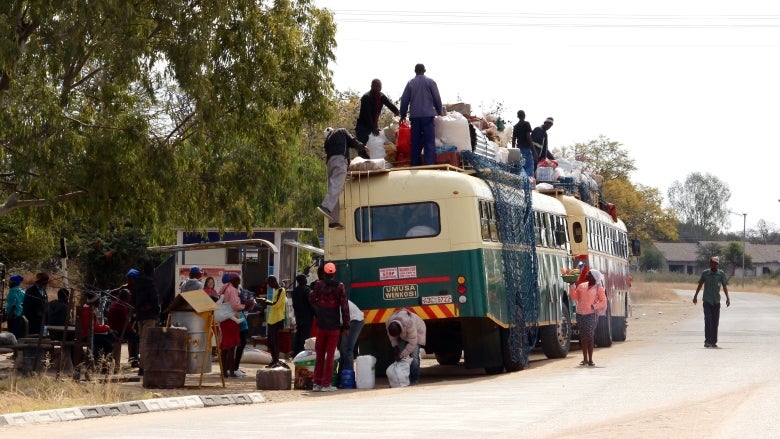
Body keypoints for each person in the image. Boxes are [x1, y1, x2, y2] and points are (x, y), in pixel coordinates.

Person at [308, 262, 350, 392]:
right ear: (334, 273)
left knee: (319, 354)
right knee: (330, 355)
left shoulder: (319, 285)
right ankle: (326, 384)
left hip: (321, 325)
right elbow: (344, 307)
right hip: (334, 326)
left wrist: (319, 310)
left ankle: (317, 383)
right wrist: (347, 326)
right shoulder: (340, 286)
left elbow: (311, 299)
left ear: (324, 273)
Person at [317, 127, 368, 230]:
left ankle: (333, 221)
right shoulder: (341, 131)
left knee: (334, 188)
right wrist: (363, 146)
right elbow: (354, 142)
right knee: (337, 186)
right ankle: (325, 206)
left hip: (330, 163)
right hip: (340, 161)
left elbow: (347, 144)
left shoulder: (327, 141)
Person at [400, 63, 445, 166]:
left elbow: (404, 99)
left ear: (415, 71)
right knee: (429, 142)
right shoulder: (431, 82)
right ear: (424, 70)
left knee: (415, 142)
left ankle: (415, 165)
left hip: (415, 117)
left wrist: (402, 115)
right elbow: (437, 98)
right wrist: (439, 111)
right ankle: (429, 165)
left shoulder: (410, 83)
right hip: (428, 117)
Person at [569, 269, 607, 366]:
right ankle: (585, 359)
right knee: (583, 336)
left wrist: (595, 306)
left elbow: (603, 302)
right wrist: (572, 286)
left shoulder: (599, 288)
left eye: (589, 274)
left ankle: (590, 359)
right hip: (580, 314)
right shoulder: (581, 286)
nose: (586, 274)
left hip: (591, 314)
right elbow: (574, 297)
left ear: (594, 277)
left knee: (589, 336)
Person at [693, 256, 731, 348]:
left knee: (715, 322)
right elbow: (700, 284)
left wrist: (727, 298)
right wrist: (695, 296)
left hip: (716, 301)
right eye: (711, 263)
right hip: (707, 301)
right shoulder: (705, 273)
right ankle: (707, 341)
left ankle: (713, 341)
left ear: (717, 264)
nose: (713, 264)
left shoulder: (721, 274)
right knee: (708, 321)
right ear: (710, 264)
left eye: (715, 263)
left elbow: (724, 286)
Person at [385, 308, 427, 385]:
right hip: (404, 333)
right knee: (400, 355)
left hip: (417, 331)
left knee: (414, 357)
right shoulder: (389, 323)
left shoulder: (409, 323)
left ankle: (414, 379)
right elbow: (392, 337)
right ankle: (404, 379)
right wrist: (395, 347)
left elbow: (412, 343)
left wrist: (401, 355)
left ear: (400, 330)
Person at [133, 261, 160, 376]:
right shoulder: (151, 283)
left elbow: (134, 298)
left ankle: (142, 366)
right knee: (147, 341)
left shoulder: (137, 283)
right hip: (149, 316)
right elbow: (154, 300)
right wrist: (155, 307)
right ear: (152, 271)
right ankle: (144, 367)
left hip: (140, 316)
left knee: (142, 340)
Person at [355, 79, 400, 147]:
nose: (377, 88)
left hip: (373, 127)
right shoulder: (366, 97)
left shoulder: (381, 96)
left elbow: (390, 105)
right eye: (375, 86)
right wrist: (374, 128)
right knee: (363, 149)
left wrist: (398, 114)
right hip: (363, 128)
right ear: (371, 86)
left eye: (379, 87)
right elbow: (368, 115)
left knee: (373, 148)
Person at [219, 273, 246, 377]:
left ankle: (224, 371)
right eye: (237, 281)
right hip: (231, 320)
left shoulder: (225, 288)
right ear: (233, 281)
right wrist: (245, 305)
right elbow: (235, 306)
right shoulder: (233, 290)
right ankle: (230, 371)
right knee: (231, 346)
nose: (238, 283)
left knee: (225, 346)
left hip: (225, 319)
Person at [107, 289, 139, 371]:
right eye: (128, 297)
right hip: (119, 331)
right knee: (136, 338)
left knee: (133, 336)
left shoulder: (115, 304)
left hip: (113, 329)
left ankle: (133, 358)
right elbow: (126, 323)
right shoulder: (121, 306)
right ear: (126, 298)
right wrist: (133, 331)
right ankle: (134, 360)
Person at [80, 291, 114, 367]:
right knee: (109, 345)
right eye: (98, 301)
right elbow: (93, 328)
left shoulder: (88, 308)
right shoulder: (88, 311)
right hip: (87, 335)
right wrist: (106, 327)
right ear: (94, 301)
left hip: (89, 333)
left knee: (108, 339)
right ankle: (106, 367)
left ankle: (103, 364)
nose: (99, 303)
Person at [263, 275, 289, 369]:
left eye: (269, 283)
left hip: (277, 320)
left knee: (273, 341)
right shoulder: (277, 291)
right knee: (271, 341)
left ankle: (275, 360)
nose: (269, 286)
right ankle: (274, 360)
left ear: (273, 282)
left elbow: (276, 304)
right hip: (272, 319)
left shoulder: (281, 290)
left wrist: (265, 301)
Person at [233, 286, 256, 378]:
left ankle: (235, 368)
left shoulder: (238, 300)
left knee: (240, 348)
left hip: (242, 325)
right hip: (241, 327)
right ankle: (234, 368)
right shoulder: (235, 300)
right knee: (238, 348)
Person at [338, 299, 364, 375]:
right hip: (348, 321)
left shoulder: (337, 304)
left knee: (347, 349)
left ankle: (349, 376)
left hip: (355, 321)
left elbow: (341, 321)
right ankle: (341, 376)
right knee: (343, 349)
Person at [291, 274, 315, 356]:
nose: (306, 280)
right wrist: (316, 313)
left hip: (298, 316)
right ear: (302, 280)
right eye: (305, 279)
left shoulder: (295, 291)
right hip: (307, 316)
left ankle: (296, 352)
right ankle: (303, 353)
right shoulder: (307, 290)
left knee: (299, 334)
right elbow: (312, 303)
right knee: (305, 336)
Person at [511, 110, 537, 177]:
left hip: (519, 151)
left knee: (519, 169)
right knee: (529, 169)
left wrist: (513, 152)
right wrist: (534, 151)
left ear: (518, 116)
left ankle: (520, 184)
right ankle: (527, 185)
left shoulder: (516, 126)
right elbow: (528, 137)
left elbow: (513, 139)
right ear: (524, 115)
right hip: (526, 150)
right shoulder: (526, 124)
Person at [4, 274, 26, 339]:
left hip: (13, 316)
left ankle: (13, 348)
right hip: (19, 315)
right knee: (18, 335)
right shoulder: (22, 291)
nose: (8, 283)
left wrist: (10, 315)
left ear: (12, 282)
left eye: (9, 281)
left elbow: (14, 304)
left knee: (12, 335)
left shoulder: (13, 291)